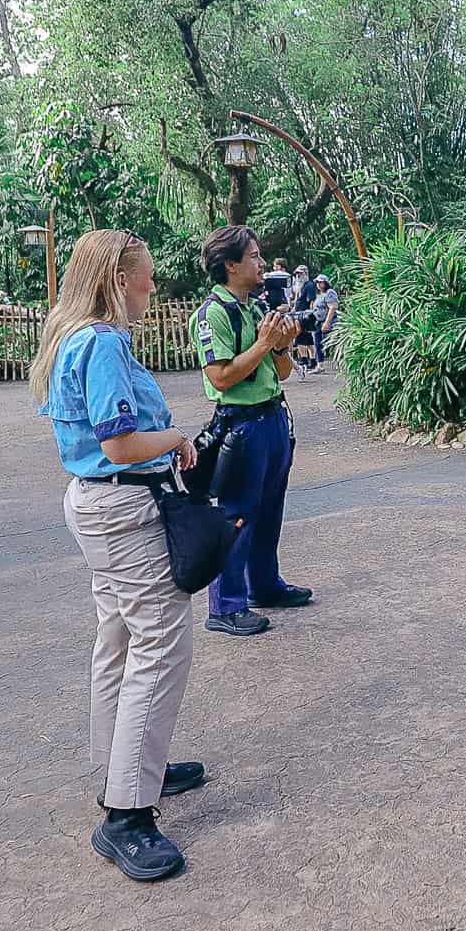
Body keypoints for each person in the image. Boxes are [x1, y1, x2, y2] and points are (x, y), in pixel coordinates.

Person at [29, 229, 205, 883]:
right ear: (115, 281)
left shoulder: (70, 336)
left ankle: (125, 768)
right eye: (146, 276)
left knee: (119, 638)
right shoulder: (101, 343)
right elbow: (122, 444)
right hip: (122, 506)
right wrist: (177, 437)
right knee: (160, 641)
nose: (152, 287)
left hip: (96, 505)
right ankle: (126, 813)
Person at [190, 226, 315, 635]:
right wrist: (263, 345)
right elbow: (221, 377)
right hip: (240, 423)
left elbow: (282, 372)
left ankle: (264, 585)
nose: (263, 264)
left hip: (273, 417)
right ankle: (225, 605)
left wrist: (280, 346)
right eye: (255, 257)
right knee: (237, 514)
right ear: (230, 264)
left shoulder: (257, 309)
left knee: (269, 510)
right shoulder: (213, 313)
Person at [307, 271, 339, 369]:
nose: (318, 284)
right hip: (317, 322)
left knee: (331, 343)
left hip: (328, 321)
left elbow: (333, 307)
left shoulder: (330, 292)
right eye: (317, 282)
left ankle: (339, 363)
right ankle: (319, 365)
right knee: (317, 343)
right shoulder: (319, 294)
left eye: (320, 282)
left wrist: (327, 323)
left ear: (325, 283)